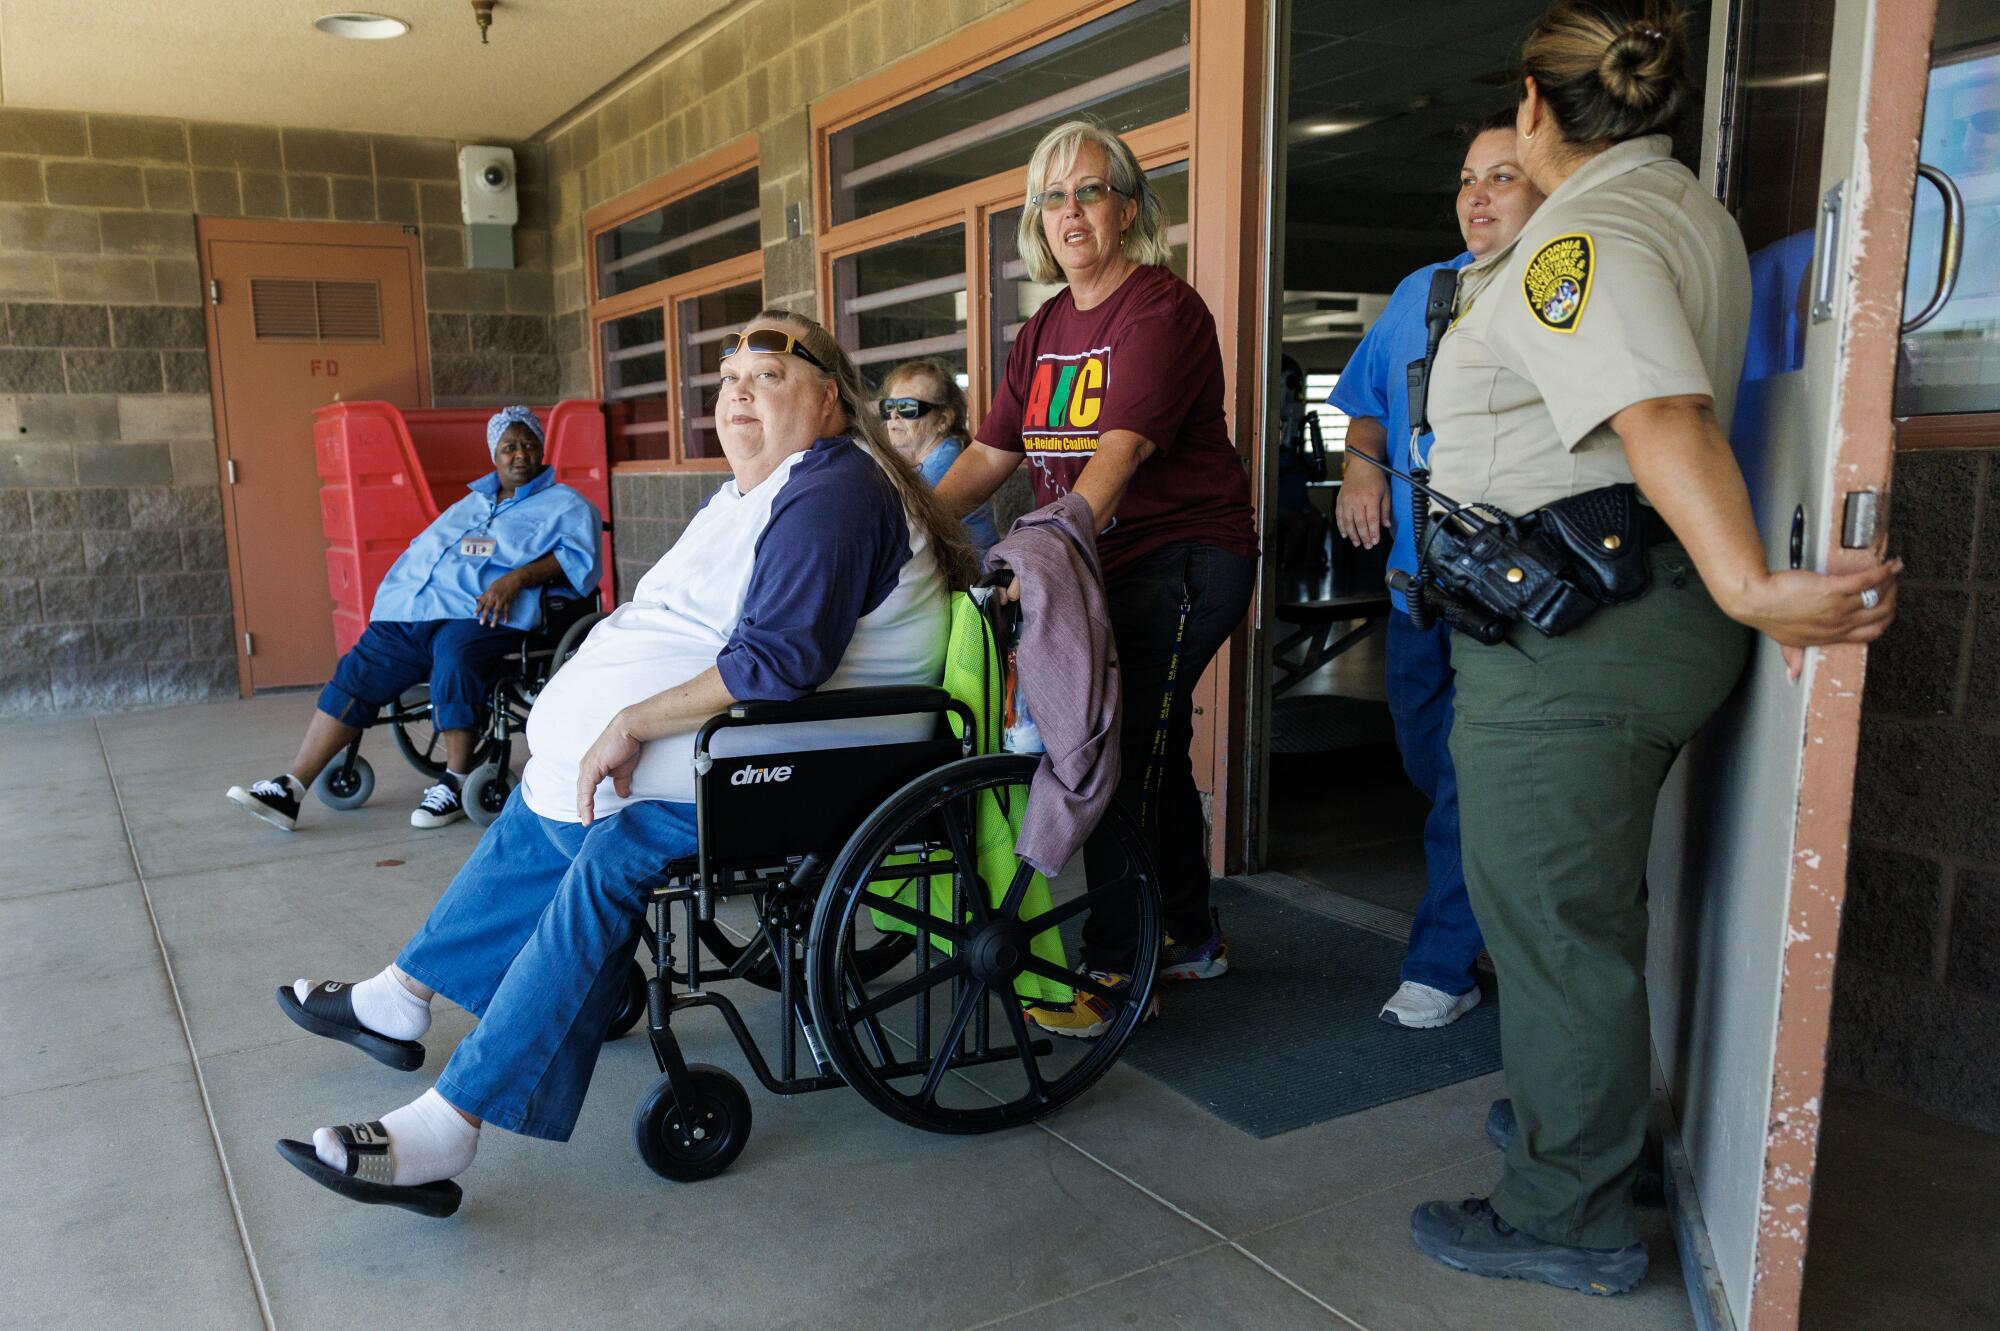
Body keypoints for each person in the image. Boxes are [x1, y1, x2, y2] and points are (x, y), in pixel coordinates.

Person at [1404, 0, 1898, 1295]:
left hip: (1574, 639)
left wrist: (1755, 586)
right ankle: (1591, 1129)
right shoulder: (1676, 206)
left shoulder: (1590, 232)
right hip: (1595, 621)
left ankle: (1565, 1210)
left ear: (1532, 102)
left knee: (1550, 924)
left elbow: (1662, 412)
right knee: (1581, 912)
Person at [273, 312, 971, 1214]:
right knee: (548, 801)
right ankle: (401, 996)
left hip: (822, 757)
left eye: (767, 374)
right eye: (728, 380)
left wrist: (631, 717)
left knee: (616, 843)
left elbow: (780, 661)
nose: (740, 394)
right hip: (760, 741)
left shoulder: (837, 490)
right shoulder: (766, 486)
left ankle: (451, 1122)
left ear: (829, 395)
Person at [934, 120, 1259, 1037]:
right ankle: (1190, 936)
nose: (1069, 211)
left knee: (1116, 759)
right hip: (1089, 567)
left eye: (1087, 191)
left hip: (1181, 560)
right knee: (1146, 758)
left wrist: (1051, 539)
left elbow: (1116, 456)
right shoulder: (1042, 329)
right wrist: (906, 522)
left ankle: (1122, 965)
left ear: (1126, 206)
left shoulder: (1162, 310)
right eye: (1052, 197)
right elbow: (992, 452)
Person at [1331, 109, 1547, 1031]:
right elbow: (1369, 407)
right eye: (1467, 178)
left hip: (1509, 595)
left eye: (1501, 176)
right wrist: (1359, 464)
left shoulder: (1556, 293)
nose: (1476, 195)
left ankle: (1443, 960)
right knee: (1431, 758)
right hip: (1419, 587)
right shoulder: (1422, 292)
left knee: (1463, 777)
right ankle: (1492, 897)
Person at [225, 406, 601, 831]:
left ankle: (455, 781)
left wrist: (516, 578)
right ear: (494, 455)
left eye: (528, 444)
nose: (520, 454)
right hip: (420, 608)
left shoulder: (566, 504)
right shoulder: (471, 503)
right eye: (508, 447)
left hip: (491, 612)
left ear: (541, 448)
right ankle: (292, 787)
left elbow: (580, 561)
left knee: (454, 654)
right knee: (360, 665)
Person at [877, 357, 1001, 556]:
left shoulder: (945, 463)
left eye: (908, 406)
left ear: (943, 420)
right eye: (888, 406)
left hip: (971, 581)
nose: (894, 415)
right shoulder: (926, 459)